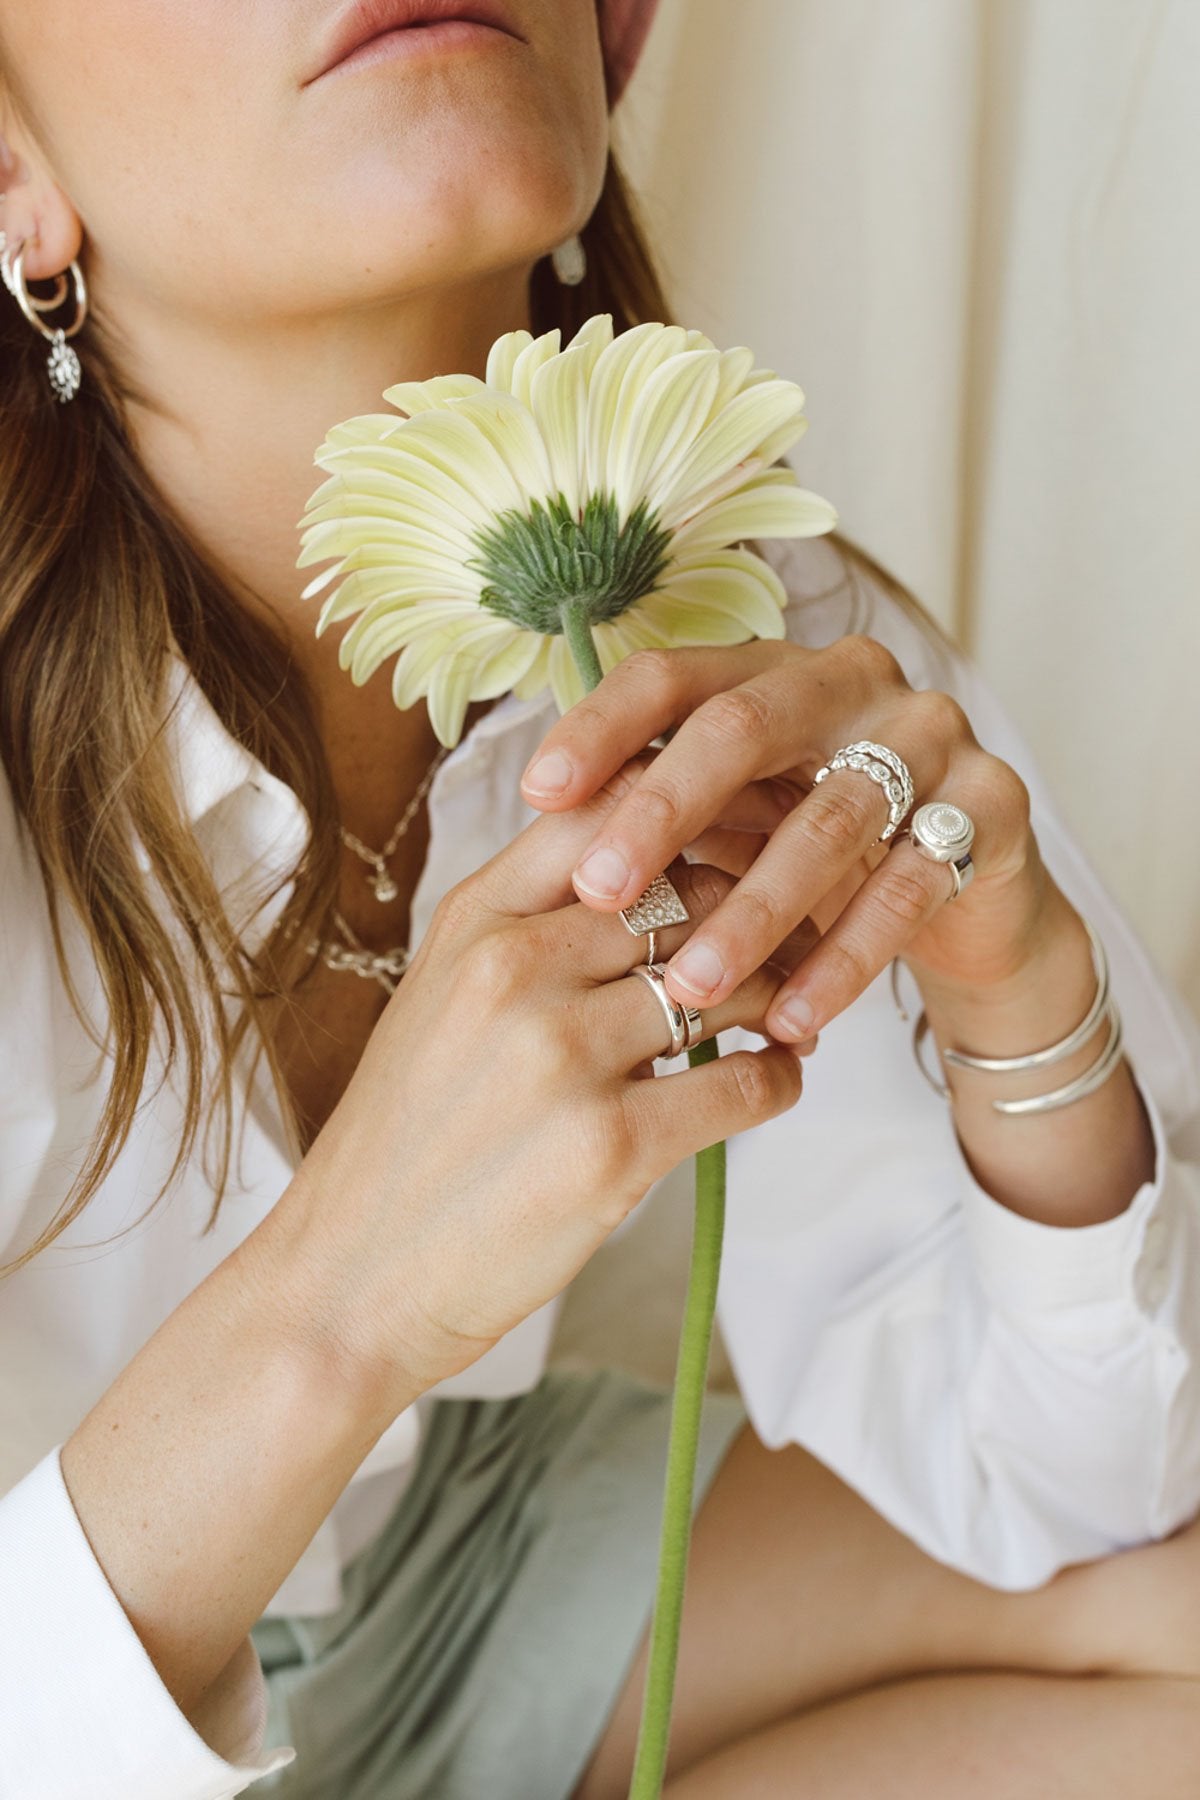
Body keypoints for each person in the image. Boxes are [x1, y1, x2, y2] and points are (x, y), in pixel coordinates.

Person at [0, 2, 1198, 1795]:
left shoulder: (750, 630)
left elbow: (1084, 1487)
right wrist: (344, 1299)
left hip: (427, 1571)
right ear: (13, 177)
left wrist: (1023, 1006)